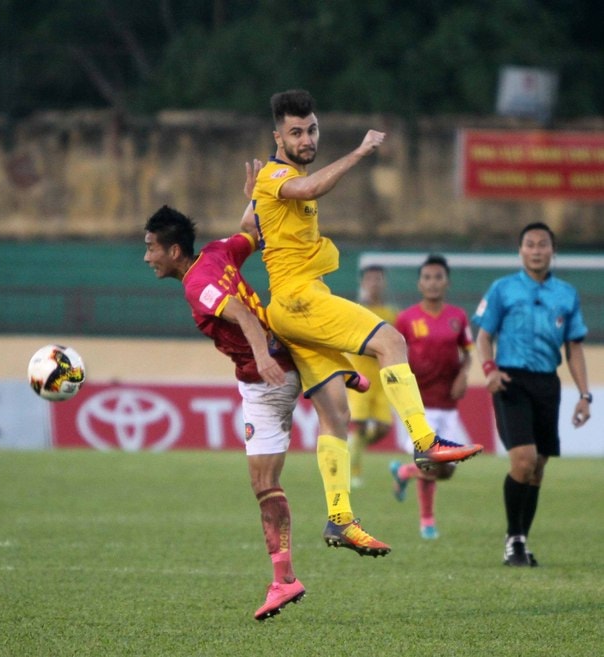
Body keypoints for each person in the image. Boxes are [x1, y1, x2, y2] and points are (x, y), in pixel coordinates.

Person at [248, 88, 483, 555]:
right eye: (296, 131)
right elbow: (310, 189)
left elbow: (254, 229)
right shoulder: (280, 175)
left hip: (295, 306)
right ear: (278, 136)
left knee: (336, 413)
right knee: (392, 340)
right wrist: (360, 150)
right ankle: (423, 441)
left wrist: (248, 202)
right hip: (299, 301)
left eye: (312, 129)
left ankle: (340, 519)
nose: (307, 138)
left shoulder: (275, 179)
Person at [143, 202, 305, 621]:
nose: (147, 257)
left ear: (174, 251)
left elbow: (242, 314)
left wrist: (262, 358)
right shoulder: (217, 251)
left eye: (151, 248)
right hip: (277, 366)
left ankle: (284, 580)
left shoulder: (198, 285)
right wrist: (254, 200)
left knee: (264, 483)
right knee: (266, 481)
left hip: (266, 379)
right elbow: (252, 233)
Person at [473, 222, 591, 567]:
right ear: (520, 250)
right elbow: (483, 336)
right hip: (510, 381)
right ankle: (513, 540)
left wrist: (585, 395)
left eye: (543, 244)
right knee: (523, 460)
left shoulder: (566, 294)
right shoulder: (502, 289)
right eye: (530, 244)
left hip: (546, 383)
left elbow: (574, 346)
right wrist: (489, 370)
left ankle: (521, 540)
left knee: (538, 468)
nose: (536, 250)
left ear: (553, 251)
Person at [388, 255, 474, 539]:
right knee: (431, 463)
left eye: (438, 277)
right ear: (419, 283)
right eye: (427, 277)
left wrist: (463, 376)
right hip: (418, 406)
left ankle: (404, 473)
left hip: (447, 405)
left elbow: (469, 352)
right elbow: (393, 357)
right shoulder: (406, 319)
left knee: (448, 469)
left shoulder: (457, 317)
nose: (432, 282)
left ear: (446, 282)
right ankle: (427, 522)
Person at [346, 265, 398, 489]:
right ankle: (354, 473)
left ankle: (352, 447)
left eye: (378, 279)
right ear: (362, 283)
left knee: (384, 428)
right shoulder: (354, 311)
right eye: (370, 279)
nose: (374, 283)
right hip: (359, 379)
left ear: (384, 283)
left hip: (382, 381)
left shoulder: (392, 314)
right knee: (358, 424)